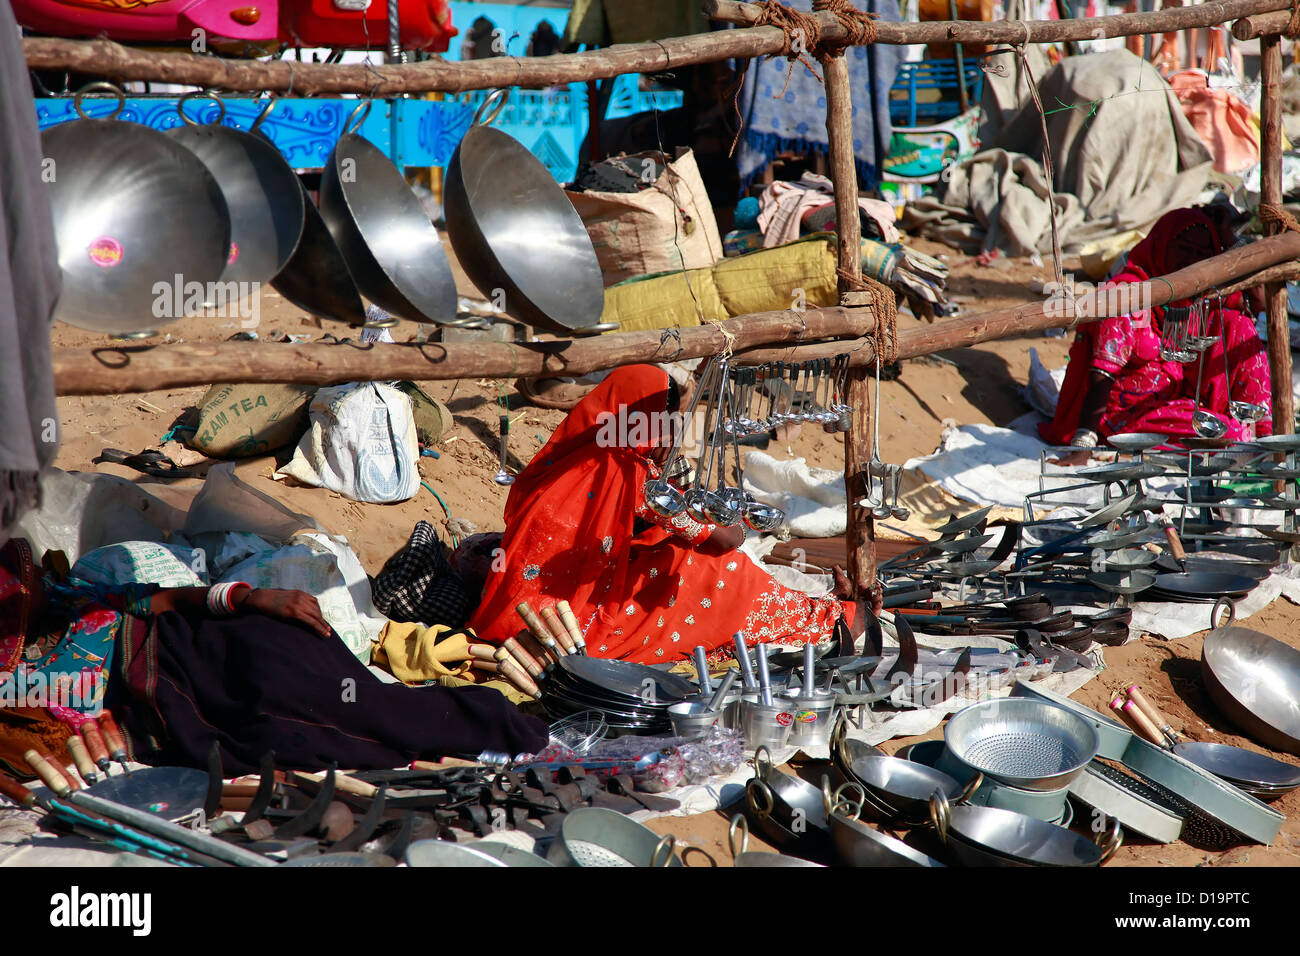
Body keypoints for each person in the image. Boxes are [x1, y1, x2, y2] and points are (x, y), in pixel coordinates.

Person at [0, 539, 547, 776]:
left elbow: (164, 599)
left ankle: (493, 723)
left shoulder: (75, 596)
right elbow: (62, 741)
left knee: (323, 676)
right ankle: (491, 729)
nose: (41, 586)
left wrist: (250, 596)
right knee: (295, 729)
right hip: (183, 699)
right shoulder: (24, 686)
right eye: (31, 592)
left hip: (214, 640)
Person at [467, 365, 871, 664]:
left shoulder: (568, 456)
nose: (672, 431)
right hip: (567, 628)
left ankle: (816, 613)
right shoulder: (632, 475)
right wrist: (686, 486)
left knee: (665, 549)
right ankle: (827, 619)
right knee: (710, 569)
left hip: (509, 609)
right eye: (666, 421)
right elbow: (726, 539)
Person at [1041, 206, 1272, 457]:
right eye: (1183, 248)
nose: (1191, 260)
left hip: (1176, 403)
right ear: (1162, 245)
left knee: (1237, 324)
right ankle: (1248, 436)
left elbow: (1259, 301)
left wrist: (1228, 238)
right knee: (1229, 436)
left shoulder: (1190, 298)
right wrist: (1082, 448)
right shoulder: (1128, 295)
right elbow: (1101, 375)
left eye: (1201, 254)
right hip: (1125, 415)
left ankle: (1264, 431)